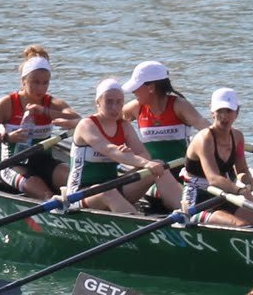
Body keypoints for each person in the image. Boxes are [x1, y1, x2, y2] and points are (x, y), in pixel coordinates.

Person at [0, 47, 78, 197]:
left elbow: (78, 120)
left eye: (45, 83)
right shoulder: (7, 104)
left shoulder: (51, 103)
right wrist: (7, 137)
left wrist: (45, 111)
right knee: (47, 196)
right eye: (35, 82)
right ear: (23, 81)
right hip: (13, 165)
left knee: (77, 186)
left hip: (45, 161)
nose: (40, 88)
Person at [68, 77, 179, 214]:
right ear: (98, 102)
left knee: (158, 165)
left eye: (119, 102)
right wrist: (132, 158)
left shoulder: (124, 126)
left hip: (113, 186)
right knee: (107, 190)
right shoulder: (87, 125)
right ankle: (140, 224)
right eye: (109, 102)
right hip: (80, 193)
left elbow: (144, 155)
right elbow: (110, 150)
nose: (115, 107)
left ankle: (187, 213)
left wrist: (132, 155)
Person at [184, 88, 253, 228]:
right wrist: (239, 191)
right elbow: (213, 178)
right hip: (198, 201)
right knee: (242, 225)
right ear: (212, 112)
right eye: (220, 111)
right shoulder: (204, 138)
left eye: (229, 111)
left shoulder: (237, 137)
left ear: (237, 112)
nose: (224, 116)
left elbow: (241, 170)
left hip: (224, 196)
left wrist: (249, 180)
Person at [121, 60, 208, 179]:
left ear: (151, 87)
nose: (133, 91)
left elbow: (209, 131)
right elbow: (106, 123)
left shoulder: (179, 106)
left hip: (180, 170)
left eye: (136, 87)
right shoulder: (135, 107)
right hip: (151, 171)